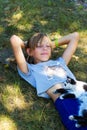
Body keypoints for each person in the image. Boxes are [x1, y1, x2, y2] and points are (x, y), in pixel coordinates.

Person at [10, 32, 86, 130]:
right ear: (29, 52)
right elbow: (14, 39)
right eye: (39, 46)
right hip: (67, 99)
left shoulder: (60, 62)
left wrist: (52, 44)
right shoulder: (30, 70)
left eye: (47, 46)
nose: (45, 48)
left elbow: (74, 36)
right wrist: (28, 45)